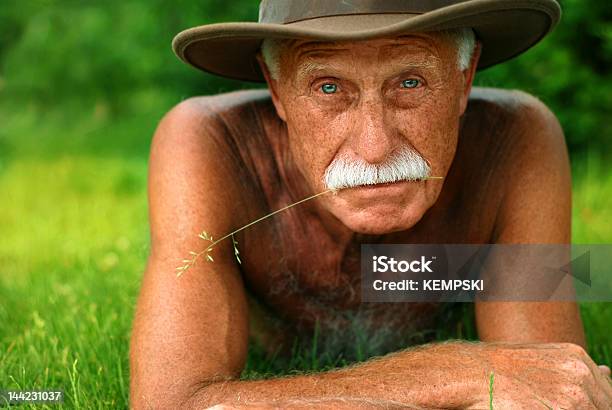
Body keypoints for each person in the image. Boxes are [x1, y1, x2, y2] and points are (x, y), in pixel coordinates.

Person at [130, 1, 612, 408]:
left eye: (409, 83)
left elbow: (543, 381)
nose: (375, 146)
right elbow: (175, 401)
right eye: (328, 87)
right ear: (276, 90)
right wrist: (464, 368)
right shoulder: (208, 143)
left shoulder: (516, 138)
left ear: (464, 79)